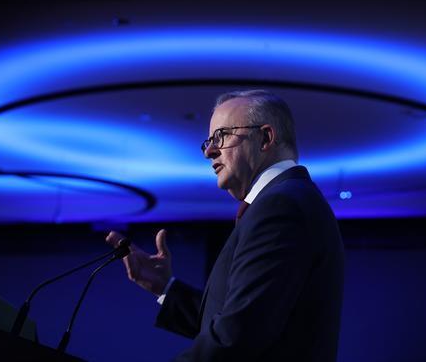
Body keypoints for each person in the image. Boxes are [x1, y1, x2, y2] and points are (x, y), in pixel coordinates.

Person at [106, 90, 344, 361]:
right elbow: (243, 319)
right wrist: (166, 288)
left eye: (222, 136)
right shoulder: (285, 201)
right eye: (208, 141)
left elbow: (238, 336)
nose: (209, 151)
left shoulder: (281, 206)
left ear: (265, 137)